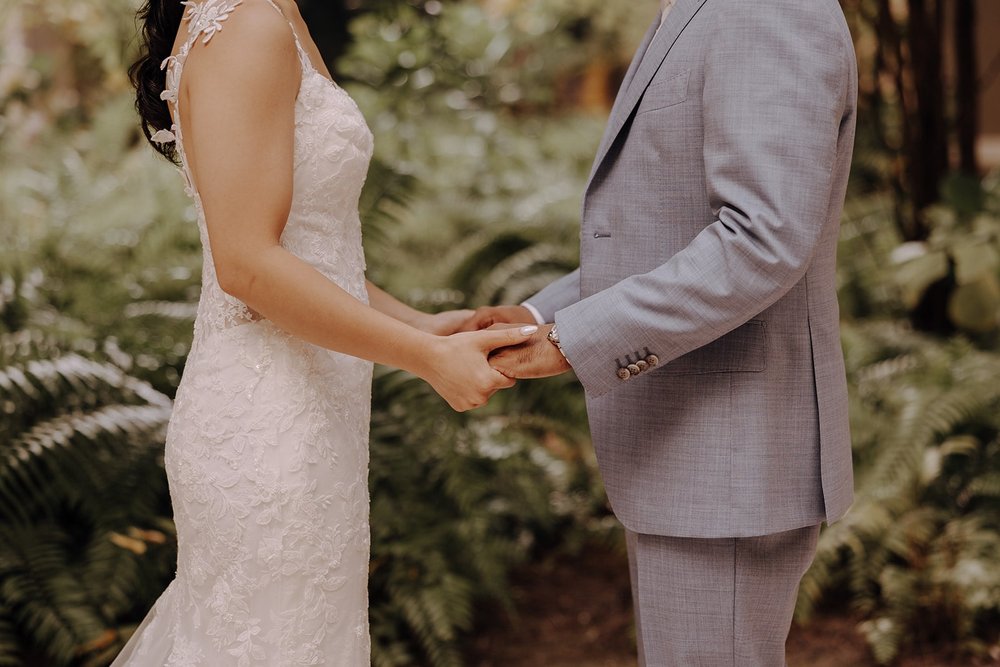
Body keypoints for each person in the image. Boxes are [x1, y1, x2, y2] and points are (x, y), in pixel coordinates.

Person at [114, 0, 535, 664]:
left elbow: (310, 253)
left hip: (313, 409)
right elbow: (248, 264)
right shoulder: (245, 20)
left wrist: (424, 324)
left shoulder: (275, 11)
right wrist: (426, 356)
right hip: (266, 420)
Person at [466, 0, 859, 664]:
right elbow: (669, 230)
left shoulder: (768, 8)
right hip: (697, 454)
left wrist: (573, 340)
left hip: (730, 455)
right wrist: (541, 315)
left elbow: (760, 240)